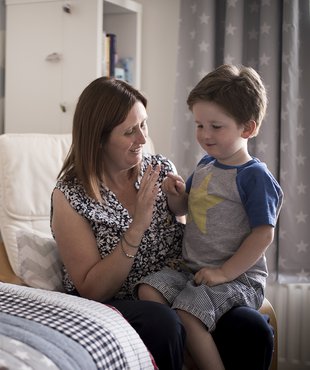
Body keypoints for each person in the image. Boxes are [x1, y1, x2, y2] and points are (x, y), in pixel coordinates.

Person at [51, 75, 277, 370]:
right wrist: (138, 225)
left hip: (181, 284)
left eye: (143, 124)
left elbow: (191, 229)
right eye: (130, 131)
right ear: (98, 137)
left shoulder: (158, 168)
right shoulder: (70, 195)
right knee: (165, 323)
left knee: (251, 327)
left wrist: (179, 202)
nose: (143, 139)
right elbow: (92, 289)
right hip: (121, 300)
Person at [138, 64, 283, 370]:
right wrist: (176, 194)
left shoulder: (253, 176)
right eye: (199, 125)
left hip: (238, 278)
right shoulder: (206, 164)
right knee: (148, 289)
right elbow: (184, 210)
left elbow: (264, 233)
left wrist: (225, 272)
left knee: (189, 314)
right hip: (194, 272)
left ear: (248, 128)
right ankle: (189, 356)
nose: (204, 135)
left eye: (216, 126)